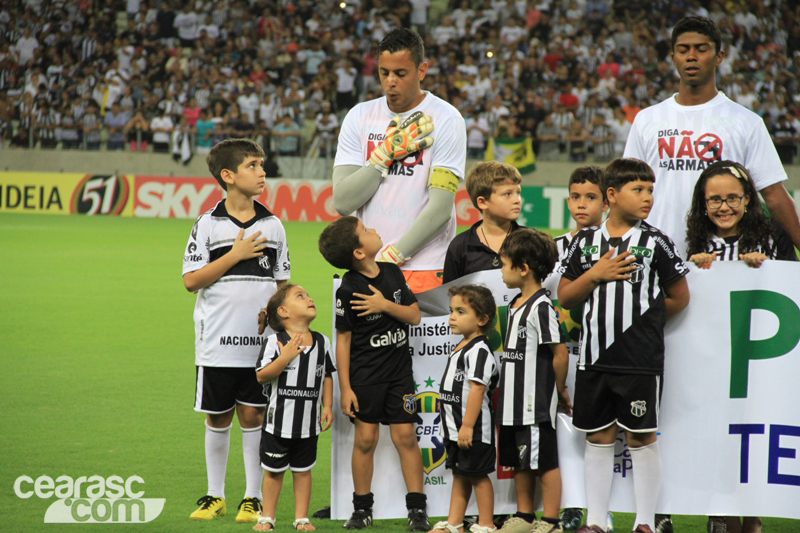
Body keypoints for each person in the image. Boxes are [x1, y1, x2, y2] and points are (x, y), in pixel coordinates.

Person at [557, 159, 690, 533]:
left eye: (650, 189)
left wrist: (643, 319)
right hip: (595, 358)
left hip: (640, 360)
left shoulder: (656, 241)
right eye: (639, 189)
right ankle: (596, 522)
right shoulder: (584, 243)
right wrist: (595, 274)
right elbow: (565, 296)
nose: (648, 196)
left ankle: (644, 523)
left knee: (641, 436)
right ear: (612, 195)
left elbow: (680, 296)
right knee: (597, 436)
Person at [623, 15, 800, 262]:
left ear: (719, 56)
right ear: (673, 57)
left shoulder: (746, 122)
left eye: (701, 49)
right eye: (683, 50)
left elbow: (773, 194)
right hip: (656, 256)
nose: (691, 56)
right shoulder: (647, 120)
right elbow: (627, 190)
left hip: (722, 261)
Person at [183, 138, 291, 523]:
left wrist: (276, 317)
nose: (262, 172)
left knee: (253, 416)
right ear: (228, 176)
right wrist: (235, 255)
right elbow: (191, 281)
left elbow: (282, 287)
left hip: (259, 347)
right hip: (216, 342)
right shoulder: (207, 224)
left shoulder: (273, 226)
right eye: (252, 165)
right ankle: (214, 495)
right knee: (217, 417)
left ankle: (252, 496)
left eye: (261, 165)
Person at [332, 28, 467, 294]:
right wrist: (382, 157)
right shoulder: (359, 117)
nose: (391, 81)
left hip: (426, 267)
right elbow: (343, 202)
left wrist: (394, 256)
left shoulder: (446, 119)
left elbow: (440, 208)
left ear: (422, 70)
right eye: (384, 73)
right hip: (370, 268)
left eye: (400, 73)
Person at [317, 216, 430, 532]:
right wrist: (346, 388)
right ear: (358, 252)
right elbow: (343, 340)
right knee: (365, 439)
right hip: (366, 378)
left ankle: (417, 510)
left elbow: (414, 315)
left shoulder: (393, 273)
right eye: (365, 231)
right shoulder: (348, 290)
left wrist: (384, 304)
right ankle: (361, 509)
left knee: (405, 436)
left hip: (399, 375)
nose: (374, 230)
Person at [495, 229, 571, 533]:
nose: (500, 270)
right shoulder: (515, 303)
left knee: (544, 462)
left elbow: (560, 352)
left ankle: (550, 521)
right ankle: (524, 516)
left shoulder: (541, 307)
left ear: (523, 268)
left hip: (533, 402)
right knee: (519, 462)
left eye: (503, 264)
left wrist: (560, 389)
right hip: (511, 404)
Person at [552, 167, 614, 533]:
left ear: (607, 200)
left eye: (590, 197)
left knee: (606, 435)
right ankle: (573, 506)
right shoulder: (554, 246)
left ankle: (603, 509)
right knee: (566, 430)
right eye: (575, 196)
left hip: (605, 351)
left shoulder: (619, 245)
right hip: (565, 353)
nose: (581, 204)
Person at [253, 284, 335, 532]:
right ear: (284, 311)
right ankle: (267, 517)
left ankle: (302, 518)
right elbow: (262, 376)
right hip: (277, 424)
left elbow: (328, 375)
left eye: (308, 295)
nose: (309, 298)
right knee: (274, 472)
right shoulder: (274, 342)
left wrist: (327, 405)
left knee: (303, 471)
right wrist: (285, 357)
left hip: (308, 426)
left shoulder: (322, 342)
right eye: (301, 296)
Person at [430, 285, 499, 533]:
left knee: (479, 476)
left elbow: (478, 391)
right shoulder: (462, 345)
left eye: (461, 311)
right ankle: (454, 523)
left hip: (474, 431)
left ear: (482, 319)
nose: (452, 317)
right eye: (451, 311)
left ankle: (486, 524)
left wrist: (467, 426)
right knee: (460, 474)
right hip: (454, 430)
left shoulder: (479, 350)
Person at [686, 161, 799, 271]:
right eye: (715, 199)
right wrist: (693, 268)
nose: (724, 208)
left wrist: (767, 267)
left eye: (732, 198)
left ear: (746, 199)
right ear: (704, 203)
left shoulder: (772, 236)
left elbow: (791, 281)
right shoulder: (699, 242)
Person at [442, 161, 523, 284]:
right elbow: (450, 294)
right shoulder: (460, 246)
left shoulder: (532, 242)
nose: (517, 200)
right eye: (507, 194)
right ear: (482, 202)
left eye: (518, 193)